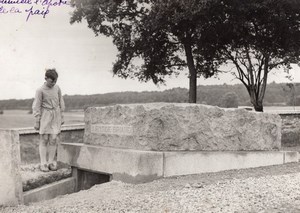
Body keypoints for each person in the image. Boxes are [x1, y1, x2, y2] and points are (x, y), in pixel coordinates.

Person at [32, 69, 65, 172]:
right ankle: (43, 163)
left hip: (56, 115)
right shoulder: (40, 90)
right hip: (45, 116)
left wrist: (62, 115)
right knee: (44, 139)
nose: (54, 83)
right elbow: (36, 105)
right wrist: (37, 120)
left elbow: (61, 101)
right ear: (46, 79)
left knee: (54, 139)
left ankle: (51, 162)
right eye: (52, 81)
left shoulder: (57, 88)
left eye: (55, 81)